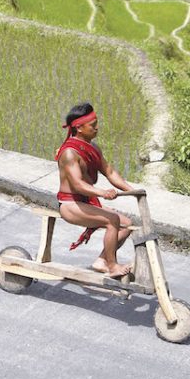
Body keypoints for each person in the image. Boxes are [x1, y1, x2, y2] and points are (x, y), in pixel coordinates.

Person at [56, 102, 137, 278]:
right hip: (70, 205)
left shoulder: (93, 148)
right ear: (79, 128)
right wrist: (103, 193)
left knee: (126, 224)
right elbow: (77, 185)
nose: (97, 128)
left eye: (96, 123)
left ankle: (102, 261)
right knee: (112, 220)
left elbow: (109, 172)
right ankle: (113, 266)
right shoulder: (69, 153)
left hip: (86, 202)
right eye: (92, 125)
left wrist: (133, 191)